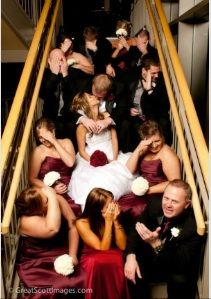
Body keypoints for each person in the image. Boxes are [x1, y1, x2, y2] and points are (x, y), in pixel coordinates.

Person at [124, 179, 204, 299]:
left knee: (181, 280)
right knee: (132, 262)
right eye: (166, 198)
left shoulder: (192, 227)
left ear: (187, 204)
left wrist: (156, 243)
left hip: (173, 265)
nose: (168, 205)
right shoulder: (155, 204)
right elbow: (136, 230)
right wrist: (130, 256)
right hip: (152, 259)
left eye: (175, 201)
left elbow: (181, 263)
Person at [16, 186, 85, 299]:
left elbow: (73, 225)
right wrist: (52, 197)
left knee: (83, 277)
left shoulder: (56, 199)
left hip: (63, 248)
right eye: (46, 199)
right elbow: (53, 228)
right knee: (58, 287)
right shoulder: (26, 221)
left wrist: (72, 254)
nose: (50, 196)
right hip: (38, 260)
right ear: (37, 209)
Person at [68, 92, 134, 209]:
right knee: (97, 179)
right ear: (85, 105)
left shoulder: (106, 116)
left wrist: (114, 158)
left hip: (111, 152)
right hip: (91, 156)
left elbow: (114, 138)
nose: (94, 96)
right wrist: (94, 161)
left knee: (121, 172)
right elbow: (82, 151)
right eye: (90, 97)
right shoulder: (82, 126)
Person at [118, 120, 180, 223]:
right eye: (150, 142)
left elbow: (175, 182)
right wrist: (138, 149)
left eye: (157, 141)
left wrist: (148, 190)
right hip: (143, 191)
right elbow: (129, 170)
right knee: (118, 204)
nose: (154, 146)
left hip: (157, 193)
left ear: (162, 137)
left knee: (134, 209)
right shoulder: (146, 148)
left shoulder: (167, 153)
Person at [76, 187, 131, 299]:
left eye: (113, 202)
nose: (113, 207)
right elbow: (103, 249)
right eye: (108, 206)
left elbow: (123, 246)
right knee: (97, 262)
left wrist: (115, 221)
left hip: (113, 251)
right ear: (98, 209)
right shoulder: (82, 223)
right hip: (92, 255)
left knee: (120, 260)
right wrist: (108, 222)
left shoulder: (115, 215)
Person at [29, 117, 81, 215]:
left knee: (79, 207)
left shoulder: (66, 142)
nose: (43, 140)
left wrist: (54, 142)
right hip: (50, 190)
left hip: (71, 187)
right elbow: (32, 178)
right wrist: (52, 190)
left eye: (46, 136)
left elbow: (70, 163)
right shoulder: (38, 151)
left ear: (53, 131)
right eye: (40, 137)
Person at [76, 74, 131, 152]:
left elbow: (123, 108)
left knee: (125, 124)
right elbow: (72, 107)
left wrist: (108, 120)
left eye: (100, 97)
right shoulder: (82, 84)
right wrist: (83, 119)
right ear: (93, 84)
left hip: (108, 115)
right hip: (88, 115)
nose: (96, 98)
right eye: (94, 94)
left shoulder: (120, 88)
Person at [128, 53, 172, 149]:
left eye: (158, 72)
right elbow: (124, 98)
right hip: (137, 119)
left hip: (154, 118)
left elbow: (164, 106)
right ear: (144, 70)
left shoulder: (161, 82)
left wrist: (150, 91)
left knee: (163, 123)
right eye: (153, 73)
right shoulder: (133, 78)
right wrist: (129, 109)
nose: (156, 76)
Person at [39, 48, 76, 140]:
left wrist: (65, 74)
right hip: (50, 117)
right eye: (56, 59)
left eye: (61, 59)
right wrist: (54, 74)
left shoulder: (71, 73)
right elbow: (44, 94)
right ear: (49, 61)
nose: (59, 62)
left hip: (68, 118)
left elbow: (74, 95)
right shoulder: (44, 75)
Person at [57, 32, 94, 97]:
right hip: (64, 91)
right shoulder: (56, 55)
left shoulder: (76, 56)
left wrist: (79, 66)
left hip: (79, 91)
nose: (70, 47)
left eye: (71, 44)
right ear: (60, 45)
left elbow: (92, 70)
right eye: (67, 44)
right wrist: (62, 52)